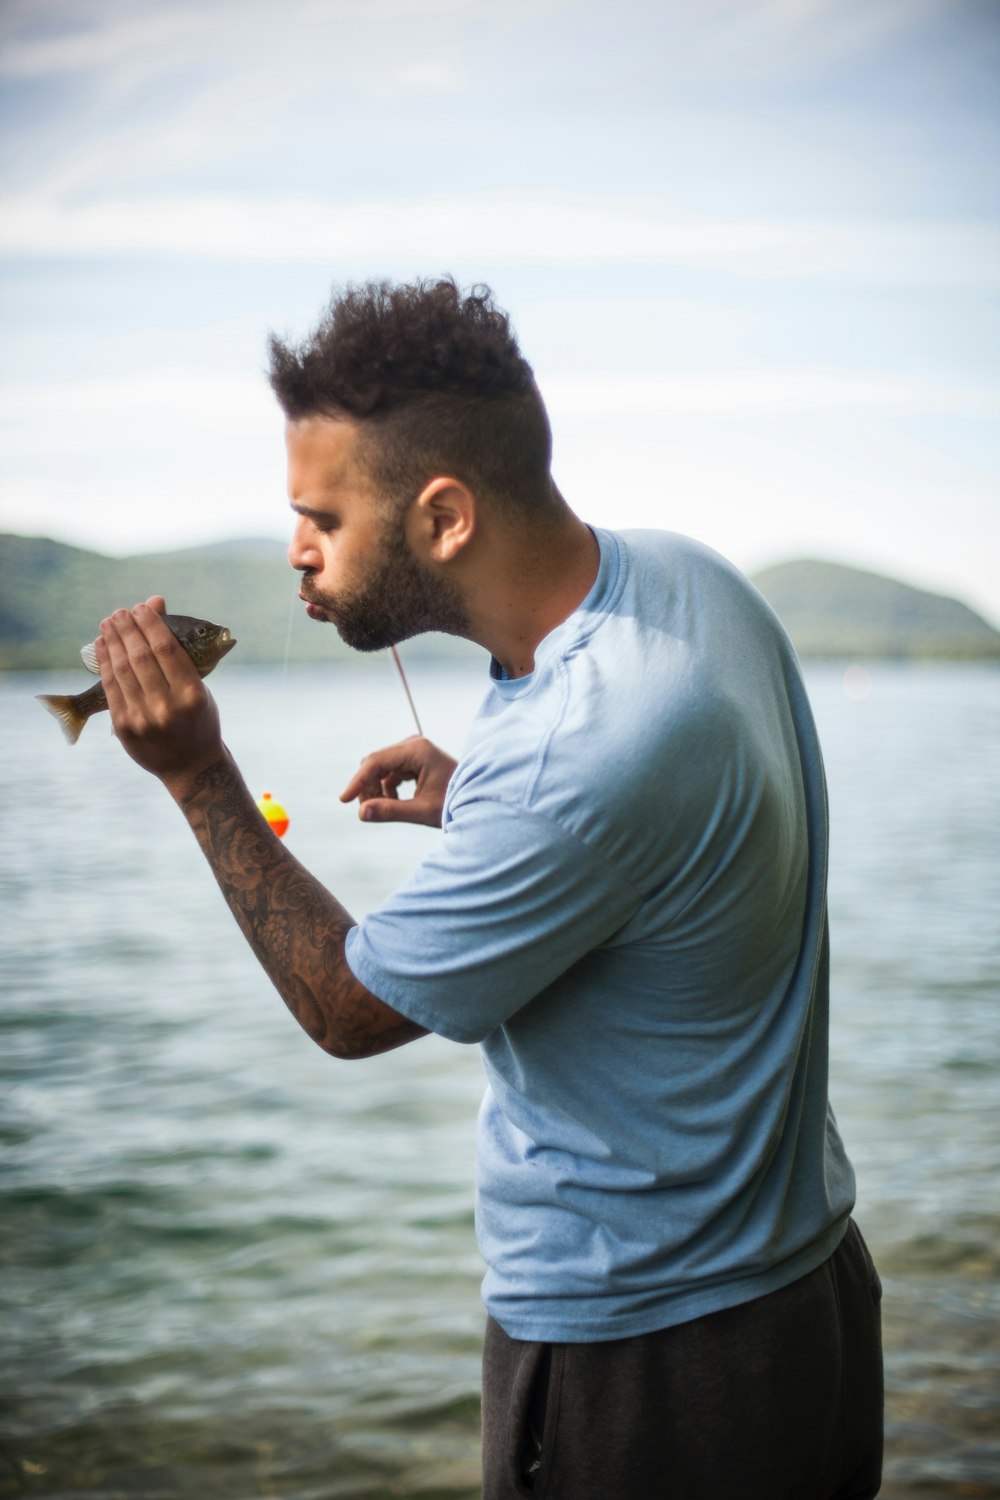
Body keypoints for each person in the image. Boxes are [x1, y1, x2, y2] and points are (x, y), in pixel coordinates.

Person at [96, 277, 884, 1499]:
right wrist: (481, 798)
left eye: (321, 517)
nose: (295, 551)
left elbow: (349, 1010)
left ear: (445, 516)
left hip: (651, 1360)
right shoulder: (686, 583)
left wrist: (198, 774)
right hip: (805, 1302)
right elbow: (653, 830)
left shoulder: (573, 757)